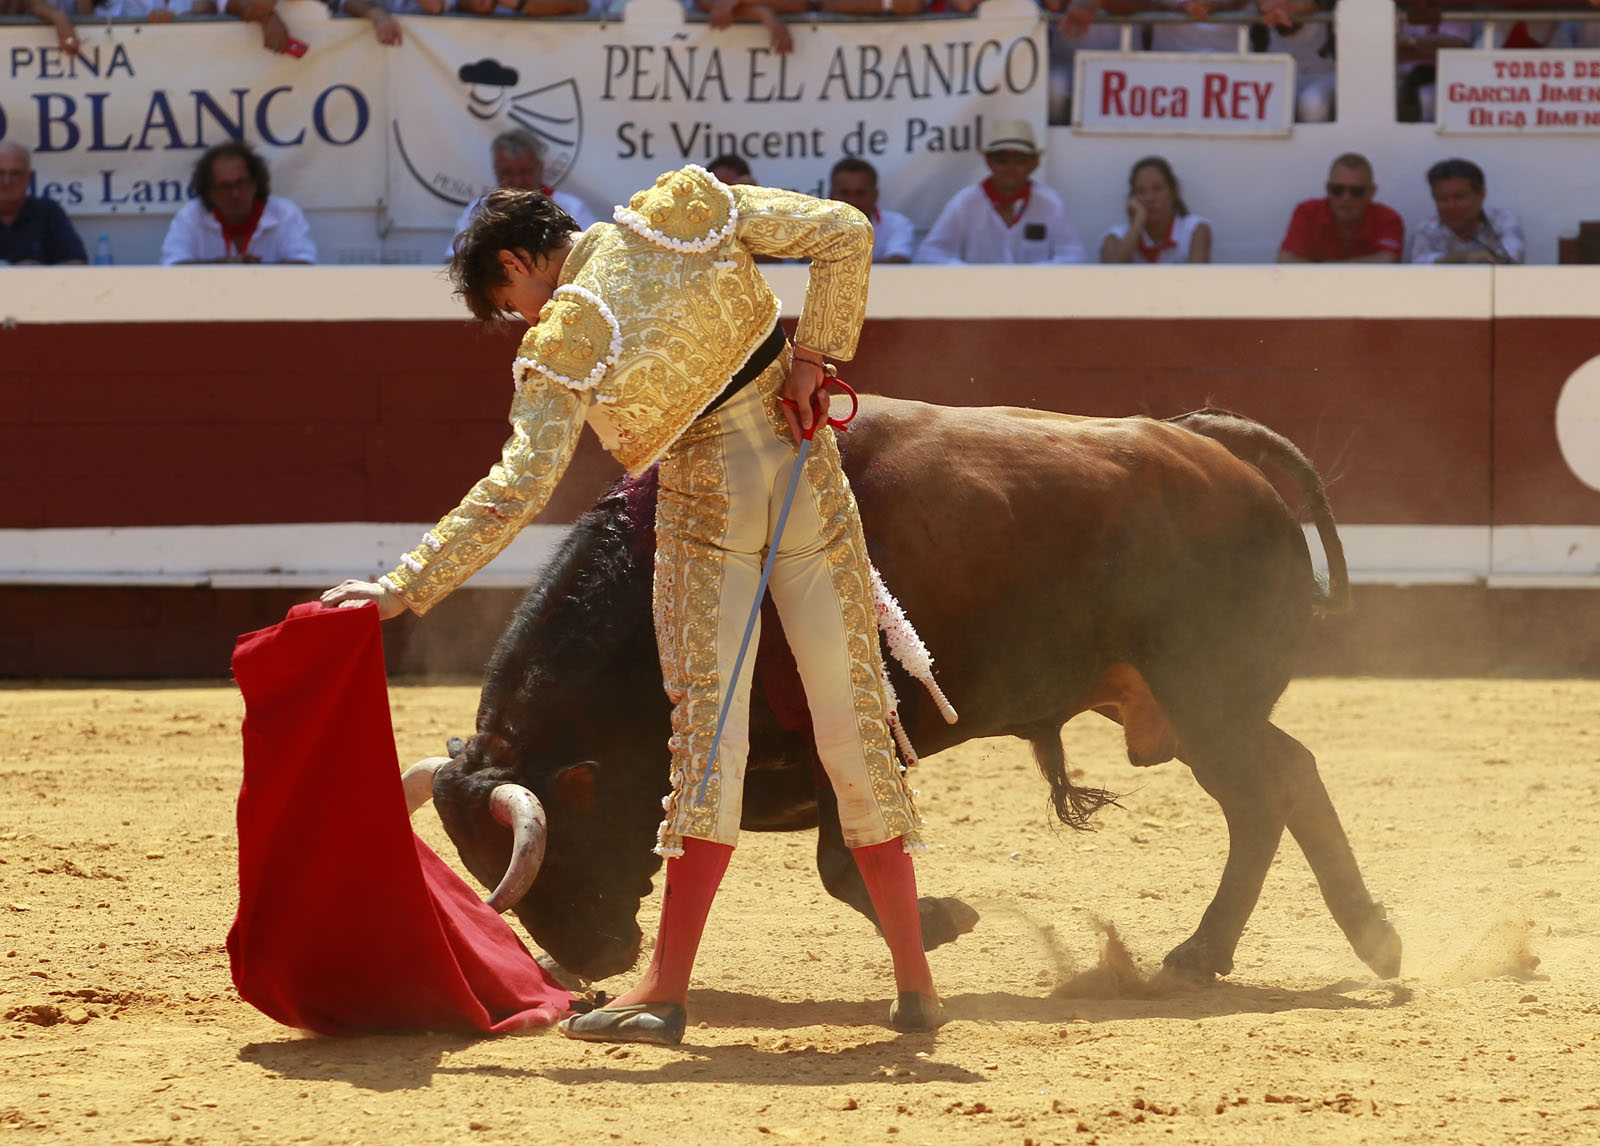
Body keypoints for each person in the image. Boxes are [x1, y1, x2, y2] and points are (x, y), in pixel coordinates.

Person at [319, 167, 941, 1045]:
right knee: (854, 731)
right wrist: (812, 357)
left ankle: (665, 991)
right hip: (808, 481)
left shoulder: (568, 332)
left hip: (706, 508)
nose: (524, 320)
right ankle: (915, 986)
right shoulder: (680, 209)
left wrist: (406, 586)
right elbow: (845, 231)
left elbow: (520, 486)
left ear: (519, 262)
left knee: (707, 748)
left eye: (511, 302)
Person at [914, 119, 1086, 264]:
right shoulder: (965, 202)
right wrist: (972, 275)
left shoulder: (1051, 203)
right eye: (1001, 159)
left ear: (1034, 163)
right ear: (989, 162)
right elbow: (930, 254)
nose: (1010, 167)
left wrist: (1031, 276)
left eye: (1020, 159)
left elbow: (1074, 256)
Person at [160, 141, 317, 265]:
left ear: (255, 184)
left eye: (241, 183)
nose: (235, 194)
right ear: (209, 192)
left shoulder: (285, 213)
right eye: (224, 187)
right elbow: (172, 265)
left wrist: (256, 273)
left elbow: (305, 263)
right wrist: (221, 267)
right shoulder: (190, 216)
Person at [447, 131, 596, 259]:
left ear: (540, 168)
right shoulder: (479, 210)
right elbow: (453, 262)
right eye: (508, 172)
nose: (517, 181)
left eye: (525, 171)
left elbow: (591, 258)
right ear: (496, 170)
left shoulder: (572, 208)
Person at [1275, 152, 1402, 264]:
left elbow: (1388, 260)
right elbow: (1285, 259)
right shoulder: (1308, 212)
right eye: (1338, 190)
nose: (1346, 198)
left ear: (1372, 192)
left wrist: (1330, 268)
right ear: (1327, 188)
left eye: (1357, 191)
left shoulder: (1388, 218)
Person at [1407, 158, 1525, 265]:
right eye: (1442, 199)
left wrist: (1446, 261)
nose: (1451, 206)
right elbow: (1418, 263)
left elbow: (1513, 258)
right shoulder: (1426, 229)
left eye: (1459, 197)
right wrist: (1465, 257)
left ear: (1481, 195)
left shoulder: (1503, 220)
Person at [1100, 156, 1211, 263]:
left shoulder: (1195, 230)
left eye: (1157, 189)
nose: (1150, 198)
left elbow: (1198, 279)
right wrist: (1138, 222)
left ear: (1173, 193)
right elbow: (1110, 273)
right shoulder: (1117, 236)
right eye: (1141, 191)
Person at [0, 142, 88, 266]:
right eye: (0, 173)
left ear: (28, 178)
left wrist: (38, 273)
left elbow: (79, 264)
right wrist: (14, 272)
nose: (7, 181)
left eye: (15, 173)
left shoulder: (47, 212)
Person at [828, 157, 914, 264]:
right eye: (845, 193)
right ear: (831, 195)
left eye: (861, 193)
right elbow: (808, 260)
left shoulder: (896, 223)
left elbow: (899, 260)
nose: (852, 201)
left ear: (875, 195)